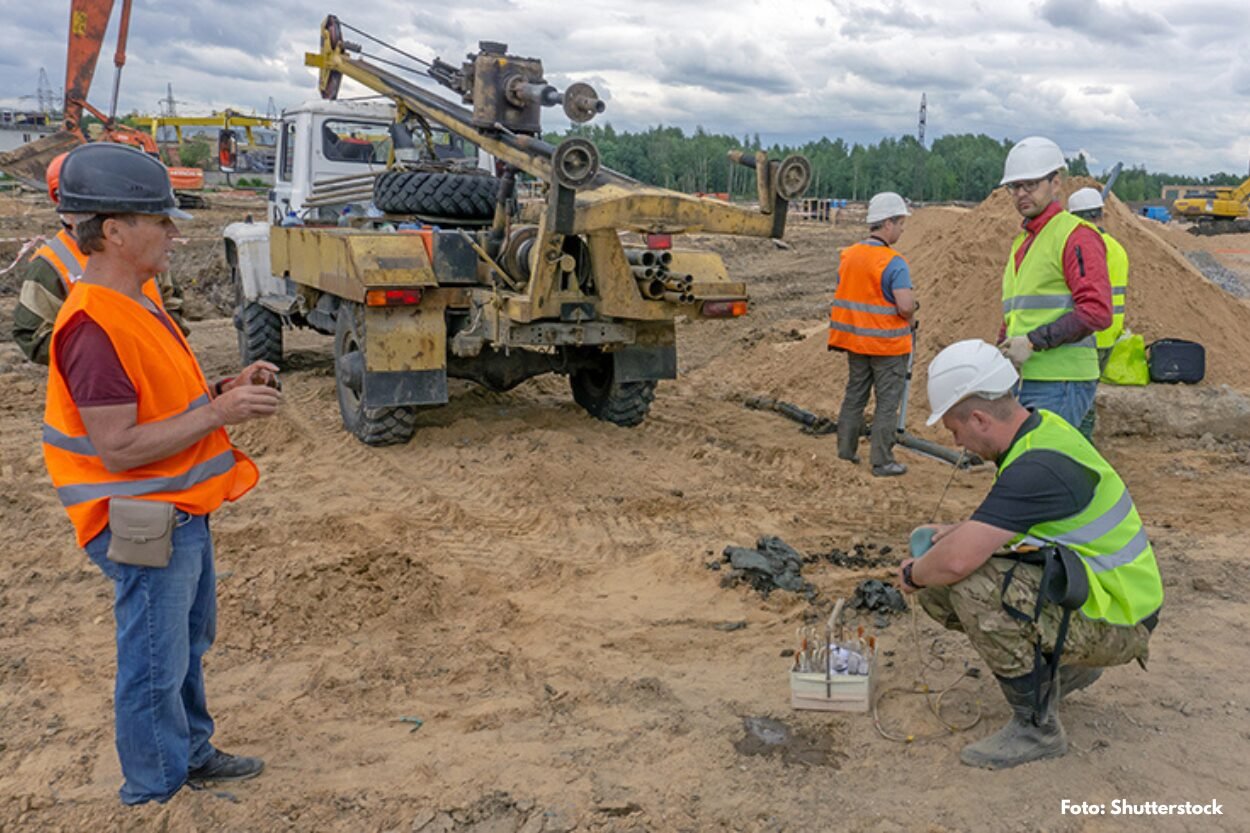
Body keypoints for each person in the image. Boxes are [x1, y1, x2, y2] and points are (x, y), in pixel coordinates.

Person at [41, 143, 283, 804]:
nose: (175, 231)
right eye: (160, 219)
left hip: (177, 507)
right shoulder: (92, 324)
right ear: (113, 231)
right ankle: (155, 791)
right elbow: (117, 446)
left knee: (184, 644)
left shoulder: (136, 299)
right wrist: (223, 412)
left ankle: (190, 751)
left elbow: (159, 397)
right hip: (141, 515)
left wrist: (223, 387)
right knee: (154, 657)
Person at [897, 339, 1162, 770]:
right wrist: (955, 533)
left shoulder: (1035, 467)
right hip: (1110, 597)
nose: (959, 442)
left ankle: (1036, 729)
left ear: (979, 418)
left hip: (1119, 617)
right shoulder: (1040, 430)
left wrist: (912, 575)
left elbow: (957, 564)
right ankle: (1063, 665)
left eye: (955, 430)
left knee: (970, 585)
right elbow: (1019, 523)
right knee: (948, 576)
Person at [12, 152, 188, 365]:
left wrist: (157, 342)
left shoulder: (145, 252)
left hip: (158, 364)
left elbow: (171, 304)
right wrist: (100, 353)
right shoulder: (50, 264)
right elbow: (33, 336)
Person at [997, 137, 1113, 429]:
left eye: (1031, 185)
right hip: (1029, 376)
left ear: (1056, 183)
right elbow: (1017, 311)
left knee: (1044, 465)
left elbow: (1096, 311)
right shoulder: (1024, 241)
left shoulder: (1076, 235)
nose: (1021, 194)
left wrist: (1034, 341)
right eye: (1015, 187)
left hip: (1062, 380)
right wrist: (1004, 344)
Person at [827, 191, 916, 477]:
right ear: (888, 223)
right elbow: (904, 306)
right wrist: (913, 310)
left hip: (856, 342)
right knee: (887, 404)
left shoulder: (849, 256)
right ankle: (882, 461)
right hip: (888, 347)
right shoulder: (894, 262)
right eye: (901, 224)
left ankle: (845, 451)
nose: (902, 230)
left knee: (855, 396)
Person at [1067, 187, 1129, 440]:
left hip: (1082, 334)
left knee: (1075, 395)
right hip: (1109, 333)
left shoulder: (1078, 248)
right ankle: (1084, 441)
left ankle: (1078, 445)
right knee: (1089, 391)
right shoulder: (1118, 249)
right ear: (1101, 215)